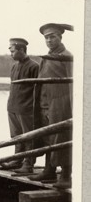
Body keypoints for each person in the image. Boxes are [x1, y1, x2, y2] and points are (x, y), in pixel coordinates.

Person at [29, 23, 73, 189]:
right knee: (47, 136)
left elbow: (73, 84)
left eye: (52, 36)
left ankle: (66, 175)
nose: (49, 40)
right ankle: (49, 170)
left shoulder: (67, 57)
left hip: (61, 105)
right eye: (46, 37)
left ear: (60, 37)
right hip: (45, 105)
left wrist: (72, 108)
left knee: (62, 137)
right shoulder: (46, 58)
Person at [3, 38, 39, 173]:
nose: (10, 54)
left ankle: (28, 164)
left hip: (26, 109)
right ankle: (17, 160)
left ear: (22, 50)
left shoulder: (34, 66)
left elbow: (38, 90)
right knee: (16, 136)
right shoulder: (14, 66)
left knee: (28, 136)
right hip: (12, 107)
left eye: (12, 51)